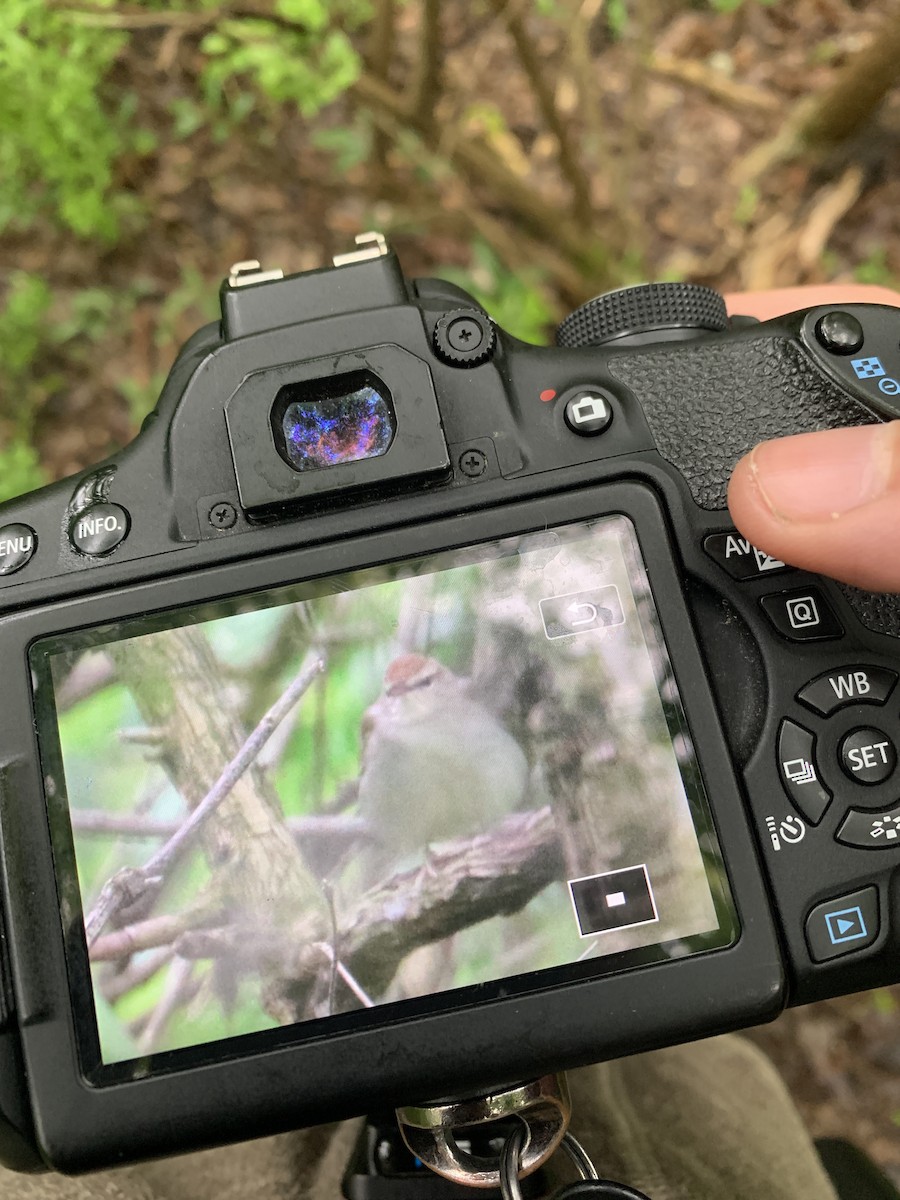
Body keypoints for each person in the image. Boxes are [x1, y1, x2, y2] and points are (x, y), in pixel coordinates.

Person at [3, 285, 898, 1200]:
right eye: (387, 707)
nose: (393, 712)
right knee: (707, 1081)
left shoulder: (490, 699)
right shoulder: (385, 736)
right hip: (439, 890)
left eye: (417, 690)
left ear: (443, 682)